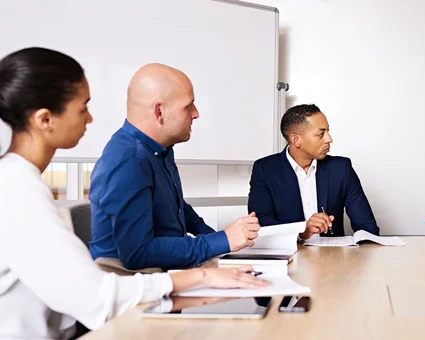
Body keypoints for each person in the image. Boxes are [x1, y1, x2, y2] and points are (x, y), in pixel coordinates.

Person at [0, 47, 269, 339]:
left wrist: (221, 250)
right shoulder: (18, 189)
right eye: (83, 108)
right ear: (44, 120)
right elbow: (100, 295)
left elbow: (179, 212)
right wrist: (201, 273)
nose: (90, 119)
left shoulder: (21, 180)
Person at [88, 63, 260, 272]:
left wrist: (226, 243)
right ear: (160, 111)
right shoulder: (129, 161)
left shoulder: (160, 150)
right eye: (189, 106)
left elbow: (177, 210)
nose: (196, 114)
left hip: (163, 276)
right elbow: (138, 254)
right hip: (137, 288)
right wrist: (222, 240)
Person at [248, 104, 379, 240]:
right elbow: (261, 223)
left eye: (327, 131)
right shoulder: (264, 169)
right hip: (290, 256)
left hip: (334, 257)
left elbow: (367, 227)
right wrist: (301, 231)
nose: (329, 139)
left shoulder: (341, 168)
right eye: (320, 134)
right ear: (296, 140)